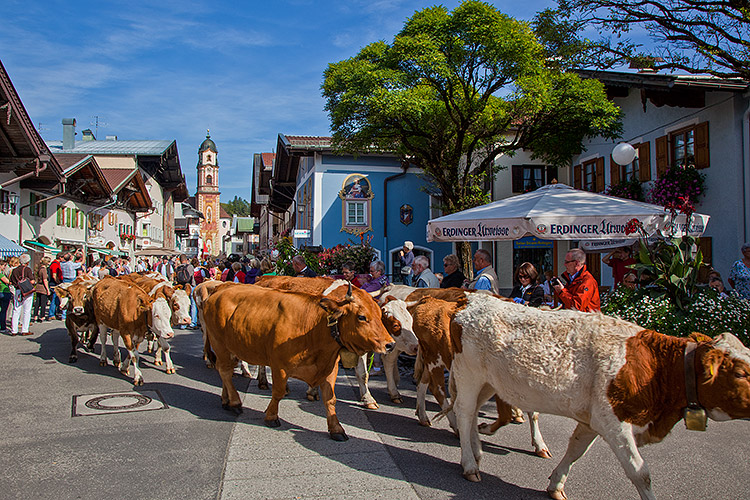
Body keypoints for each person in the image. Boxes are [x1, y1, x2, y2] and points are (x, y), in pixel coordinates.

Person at [10, 254, 35, 336]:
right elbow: (32, 281)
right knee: (27, 310)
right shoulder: (27, 269)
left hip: (18, 291)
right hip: (27, 291)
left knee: (16, 310)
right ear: (27, 262)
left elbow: (11, 281)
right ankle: (25, 329)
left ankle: (14, 330)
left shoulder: (14, 270)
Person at [32, 256, 51, 323]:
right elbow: (45, 280)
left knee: (37, 303)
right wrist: (48, 289)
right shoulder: (44, 270)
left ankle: (35, 316)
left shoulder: (38, 269)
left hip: (38, 286)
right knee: (43, 303)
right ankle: (42, 316)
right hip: (43, 287)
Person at [47, 253, 63, 320]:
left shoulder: (56, 263)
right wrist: (58, 282)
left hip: (55, 283)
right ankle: (51, 314)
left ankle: (55, 313)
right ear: (60, 258)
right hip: (54, 284)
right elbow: (54, 275)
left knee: (56, 299)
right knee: (54, 299)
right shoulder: (55, 264)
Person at [0, 260, 12, 333]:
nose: (5, 267)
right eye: (4, 266)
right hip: (4, 292)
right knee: (3, 311)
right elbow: (8, 282)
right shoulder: (1, 275)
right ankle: (3, 327)